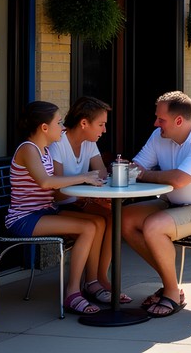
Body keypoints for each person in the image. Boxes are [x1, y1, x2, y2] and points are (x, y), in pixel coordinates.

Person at [126, 91, 191, 317]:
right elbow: (135, 168)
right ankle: (170, 282)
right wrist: (134, 172)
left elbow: (179, 179)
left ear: (178, 121)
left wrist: (145, 176)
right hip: (175, 204)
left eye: (160, 119)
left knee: (154, 226)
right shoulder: (160, 136)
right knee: (124, 219)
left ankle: (172, 293)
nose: (156, 123)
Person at [6, 101, 106, 315]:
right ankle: (72, 294)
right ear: (44, 127)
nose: (62, 127)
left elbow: (53, 184)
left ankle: (92, 282)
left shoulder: (43, 150)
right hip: (25, 218)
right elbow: (45, 182)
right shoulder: (27, 149)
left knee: (98, 222)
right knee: (88, 228)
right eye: (58, 122)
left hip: (45, 211)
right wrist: (83, 177)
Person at [48, 96, 130, 304]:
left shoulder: (89, 143)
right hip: (58, 208)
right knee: (101, 220)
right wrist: (86, 191)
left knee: (113, 219)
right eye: (101, 125)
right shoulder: (58, 144)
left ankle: (99, 279)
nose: (104, 130)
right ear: (84, 123)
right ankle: (92, 281)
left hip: (79, 202)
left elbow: (101, 176)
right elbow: (56, 192)